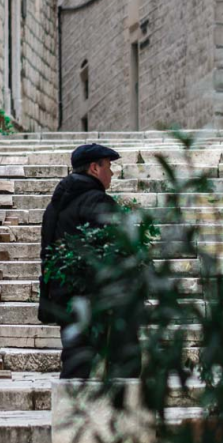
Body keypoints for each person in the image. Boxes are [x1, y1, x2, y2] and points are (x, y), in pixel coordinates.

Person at [38, 143, 139, 379]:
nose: (112, 173)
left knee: (75, 361)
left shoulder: (54, 207)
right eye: (108, 167)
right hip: (96, 297)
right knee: (121, 363)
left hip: (63, 295)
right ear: (94, 168)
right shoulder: (98, 202)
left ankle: (72, 413)